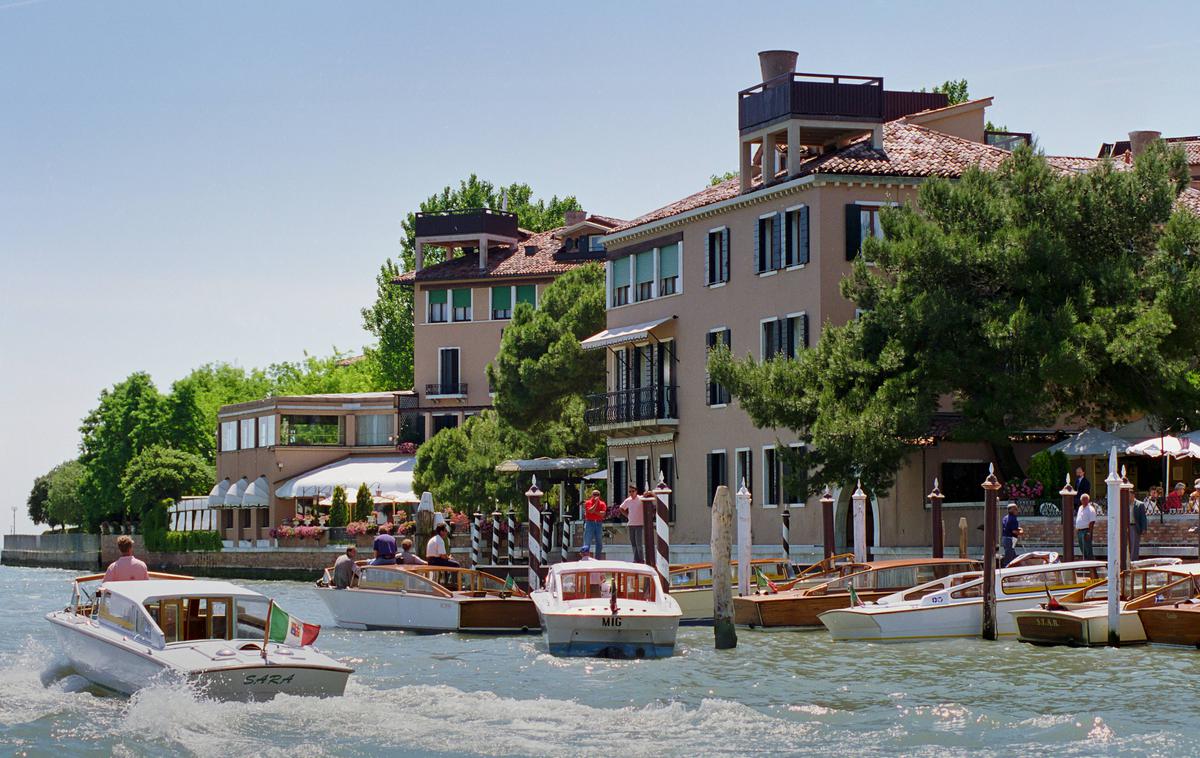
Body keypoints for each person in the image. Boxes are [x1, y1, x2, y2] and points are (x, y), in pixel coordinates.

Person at [618, 484, 645, 563]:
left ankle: (641, 559)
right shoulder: (628, 500)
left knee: (639, 543)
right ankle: (636, 559)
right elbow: (621, 508)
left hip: (639, 524)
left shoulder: (641, 499)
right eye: (630, 492)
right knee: (633, 543)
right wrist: (627, 515)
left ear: (636, 491)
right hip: (631, 524)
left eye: (633, 491)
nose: (631, 493)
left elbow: (650, 502)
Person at [582, 488, 607, 557]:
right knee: (587, 541)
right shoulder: (588, 502)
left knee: (599, 542)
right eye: (594, 494)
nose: (596, 496)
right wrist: (595, 503)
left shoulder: (602, 503)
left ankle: (597, 558)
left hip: (598, 523)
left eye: (597, 494)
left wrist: (594, 512)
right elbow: (590, 510)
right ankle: (586, 557)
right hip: (589, 522)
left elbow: (603, 514)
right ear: (592, 495)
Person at [1075, 494, 1097, 560]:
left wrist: (1089, 533)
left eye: (1085, 499)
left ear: (1088, 500)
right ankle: (1085, 563)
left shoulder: (1091, 509)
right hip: (1079, 531)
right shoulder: (1080, 508)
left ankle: (1090, 564)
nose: (1084, 501)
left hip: (1086, 531)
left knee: (1088, 549)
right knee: (1082, 548)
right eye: (1082, 499)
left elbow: (1092, 522)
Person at [1001, 503, 1023, 567]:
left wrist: (1018, 528)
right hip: (1010, 539)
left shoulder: (1005, 518)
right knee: (1009, 558)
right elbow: (1014, 531)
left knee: (1013, 556)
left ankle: (1016, 569)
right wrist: (1021, 532)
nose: (1017, 510)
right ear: (1011, 510)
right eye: (1015, 509)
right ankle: (1006, 571)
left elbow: (1009, 527)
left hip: (1006, 539)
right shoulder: (1013, 519)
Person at [1132, 493, 1148, 562]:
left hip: (1135, 526)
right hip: (1126, 526)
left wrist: (1144, 528)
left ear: (1133, 495)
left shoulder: (1140, 504)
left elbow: (1143, 517)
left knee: (1135, 544)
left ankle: (1134, 560)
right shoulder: (1124, 503)